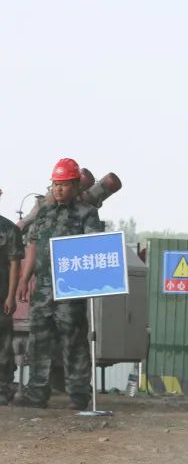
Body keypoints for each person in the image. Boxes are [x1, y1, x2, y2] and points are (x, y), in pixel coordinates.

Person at [15, 159, 104, 410]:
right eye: (55, 184)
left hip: (70, 288)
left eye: (63, 184)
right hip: (43, 288)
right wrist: (24, 279)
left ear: (75, 185)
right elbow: (33, 246)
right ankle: (37, 394)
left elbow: (93, 248)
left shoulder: (87, 213)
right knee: (39, 341)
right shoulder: (44, 212)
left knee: (74, 341)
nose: (58, 189)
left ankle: (79, 395)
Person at [0, 195, 24, 406]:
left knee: (3, 345)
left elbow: (15, 263)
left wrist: (11, 295)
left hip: (1, 296)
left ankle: (3, 389)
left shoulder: (8, 229)